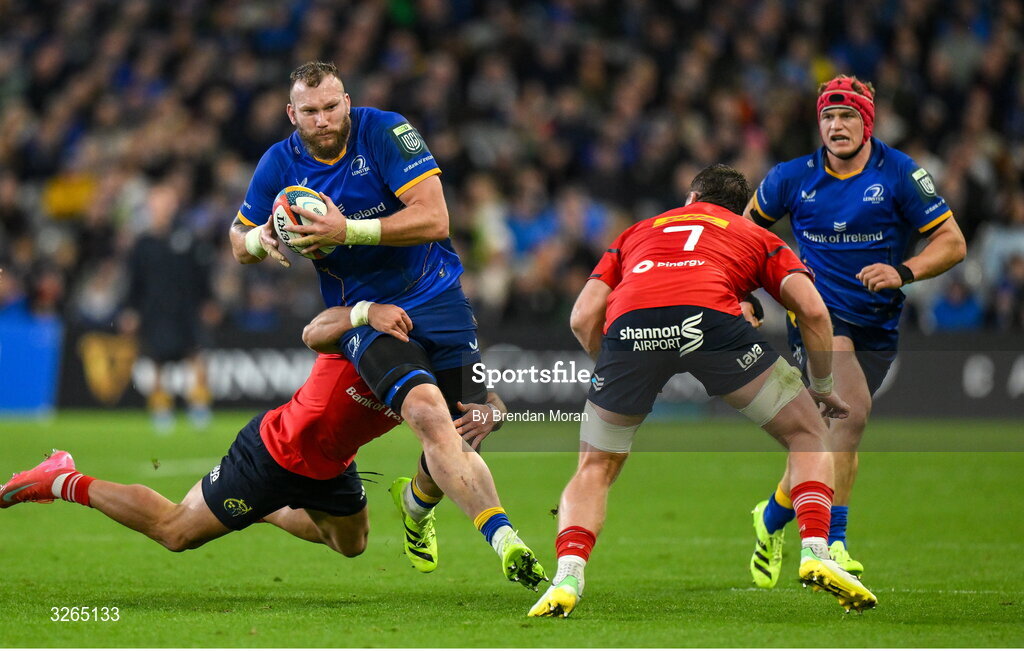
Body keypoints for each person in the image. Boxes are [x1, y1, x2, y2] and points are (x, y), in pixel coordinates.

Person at [227, 61, 545, 588]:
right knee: (426, 413)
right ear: (292, 114)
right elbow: (238, 244)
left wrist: (345, 230)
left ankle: (416, 506)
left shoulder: (386, 132)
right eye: (310, 112)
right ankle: (506, 539)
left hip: (435, 295)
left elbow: (436, 219)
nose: (324, 119)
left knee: (477, 423)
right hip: (363, 311)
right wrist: (264, 239)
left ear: (347, 101)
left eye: (332, 107)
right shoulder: (277, 165)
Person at [528, 164, 876, 618]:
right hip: (710, 321)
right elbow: (812, 310)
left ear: (691, 199)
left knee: (595, 466)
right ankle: (816, 551)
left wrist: (617, 370)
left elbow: (581, 317)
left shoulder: (637, 231)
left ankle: (567, 578)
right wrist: (823, 385)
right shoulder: (754, 235)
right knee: (808, 433)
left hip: (631, 327)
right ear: (740, 209)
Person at [0, 303, 509, 574]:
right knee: (175, 532)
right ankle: (62, 479)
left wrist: (492, 412)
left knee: (350, 545)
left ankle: (262, 508)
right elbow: (316, 329)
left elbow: (488, 401)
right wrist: (364, 310)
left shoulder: (439, 361)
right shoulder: (367, 332)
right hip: (274, 452)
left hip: (332, 466)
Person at [743, 75, 966, 583]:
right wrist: (744, 296)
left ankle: (771, 516)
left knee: (829, 436)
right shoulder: (789, 178)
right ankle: (831, 545)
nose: (836, 125)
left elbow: (953, 243)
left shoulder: (902, 175)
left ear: (867, 122)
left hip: (878, 323)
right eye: (827, 116)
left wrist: (904, 272)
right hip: (819, 317)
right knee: (852, 412)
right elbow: (743, 238)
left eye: (846, 116)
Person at [120, 183, 216, 431]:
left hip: (186, 307)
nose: (162, 208)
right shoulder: (143, 243)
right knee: (156, 360)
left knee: (196, 354)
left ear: (173, 206)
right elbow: (134, 282)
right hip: (155, 310)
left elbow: (201, 273)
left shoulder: (187, 237)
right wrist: (130, 310)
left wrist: (208, 301)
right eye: (157, 203)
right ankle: (161, 408)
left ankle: (200, 404)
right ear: (151, 207)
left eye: (166, 202)